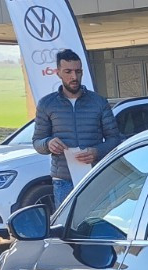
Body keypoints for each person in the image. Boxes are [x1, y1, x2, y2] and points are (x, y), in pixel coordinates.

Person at [32, 49, 123, 207]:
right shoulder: (47, 104)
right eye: (68, 72)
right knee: (67, 229)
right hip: (63, 180)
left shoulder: (99, 102)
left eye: (78, 71)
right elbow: (37, 142)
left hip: (95, 176)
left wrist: (97, 152)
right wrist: (48, 143)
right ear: (58, 72)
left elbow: (115, 139)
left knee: (99, 225)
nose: (74, 77)